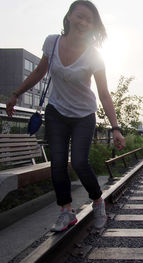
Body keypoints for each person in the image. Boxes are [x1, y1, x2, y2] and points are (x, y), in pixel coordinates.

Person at [6, 0, 126, 231]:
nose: (83, 22)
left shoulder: (94, 55)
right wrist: (16, 94)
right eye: (79, 16)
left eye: (89, 20)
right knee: (57, 163)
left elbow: (104, 93)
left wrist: (116, 128)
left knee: (80, 162)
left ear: (93, 26)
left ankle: (97, 201)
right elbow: (40, 72)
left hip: (83, 115)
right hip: (56, 112)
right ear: (69, 16)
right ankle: (66, 211)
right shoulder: (51, 42)